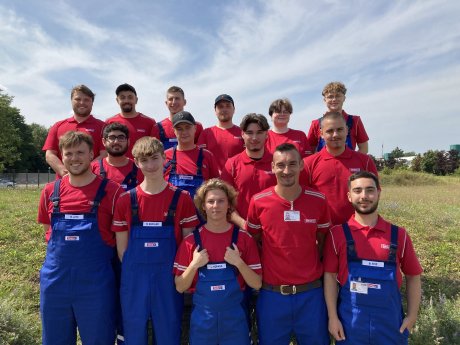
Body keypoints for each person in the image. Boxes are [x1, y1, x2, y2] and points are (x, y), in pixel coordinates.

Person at [37, 131, 123, 345]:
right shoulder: (50, 191)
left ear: (92, 154)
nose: (74, 158)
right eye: (69, 153)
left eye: (80, 153)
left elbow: (121, 237)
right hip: (55, 283)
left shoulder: (113, 192)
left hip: (96, 285)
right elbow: (48, 232)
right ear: (62, 156)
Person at [112, 136, 199, 345]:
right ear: (136, 162)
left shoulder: (182, 198)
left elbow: (188, 244)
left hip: (168, 279)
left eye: (154, 158)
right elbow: (122, 250)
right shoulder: (126, 200)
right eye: (144, 160)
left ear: (164, 158)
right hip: (134, 279)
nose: (150, 165)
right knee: (133, 331)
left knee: (169, 330)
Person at [323, 171, 422, 344]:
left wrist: (412, 316)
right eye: (358, 190)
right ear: (349, 196)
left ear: (378, 193)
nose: (364, 196)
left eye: (370, 190)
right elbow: (330, 277)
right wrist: (333, 318)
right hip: (350, 327)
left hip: (391, 327)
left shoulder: (399, 235)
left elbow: (413, 276)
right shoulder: (336, 234)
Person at [246, 143, 331, 345]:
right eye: (281, 165)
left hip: (311, 295)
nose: (286, 170)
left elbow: (323, 241)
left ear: (302, 165)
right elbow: (254, 240)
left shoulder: (318, 201)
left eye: (292, 164)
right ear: (272, 167)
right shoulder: (259, 202)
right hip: (272, 295)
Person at [174, 178, 262, 345]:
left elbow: (257, 283)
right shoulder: (191, 242)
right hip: (203, 324)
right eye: (211, 201)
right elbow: (180, 286)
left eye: (221, 201)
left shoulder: (243, 239)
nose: (216, 206)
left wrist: (239, 263)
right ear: (203, 206)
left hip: (235, 324)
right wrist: (194, 265)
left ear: (229, 205)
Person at [301, 111, 378, 226]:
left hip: (357, 230)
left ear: (347, 131)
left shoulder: (365, 161)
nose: (335, 135)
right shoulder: (308, 163)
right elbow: (303, 200)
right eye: (330, 131)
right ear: (321, 133)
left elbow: (374, 194)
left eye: (340, 130)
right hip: (322, 233)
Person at [220, 113, 276, 229]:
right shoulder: (232, 164)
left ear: (267, 134)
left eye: (259, 132)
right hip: (239, 231)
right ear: (242, 135)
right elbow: (224, 201)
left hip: (271, 230)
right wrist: (243, 224)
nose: (254, 138)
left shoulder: (277, 163)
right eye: (250, 133)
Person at [43, 85, 106, 177]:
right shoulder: (57, 126)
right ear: (71, 101)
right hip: (63, 184)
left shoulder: (103, 127)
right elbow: (49, 154)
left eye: (86, 100)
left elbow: (104, 154)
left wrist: (85, 172)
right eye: (77, 99)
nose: (82, 102)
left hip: (93, 182)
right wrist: (63, 171)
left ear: (92, 102)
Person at [164, 111, 220, 199]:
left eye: (187, 127)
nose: (184, 132)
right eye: (179, 128)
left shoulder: (207, 156)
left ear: (195, 128)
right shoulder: (164, 156)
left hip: (200, 211)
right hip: (171, 212)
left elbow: (217, 189)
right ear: (174, 131)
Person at [307, 82, 369, 153]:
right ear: (325, 100)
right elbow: (310, 150)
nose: (334, 99)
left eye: (338, 96)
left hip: (348, 163)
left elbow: (364, 148)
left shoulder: (355, 120)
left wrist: (353, 161)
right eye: (330, 96)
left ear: (344, 98)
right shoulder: (316, 123)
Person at [106, 83, 157, 158]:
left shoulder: (150, 122)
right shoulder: (109, 122)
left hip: (141, 168)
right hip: (117, 168)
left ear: (136, 100)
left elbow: (154, 150)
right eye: (122, 97)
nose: (126, 100)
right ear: (117, 100)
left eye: (130, 97)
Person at [197, 94, 245, 172]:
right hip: (213, 181)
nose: (224, 109)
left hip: (237, 179)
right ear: (215, 111)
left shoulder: (243, 133)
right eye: (220, 107)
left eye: (228, 106)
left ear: (234, 109)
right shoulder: (206, 133)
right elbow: (201, 159)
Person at [91, 122, 144, 191]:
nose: (116, 141)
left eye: (121, 138)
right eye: (112, 138)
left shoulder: (140, 169)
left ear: (128, 141)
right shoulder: (92, 169)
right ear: (104, 142)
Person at [153, 86, 203, 150]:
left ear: (184, 102)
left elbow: (201, 152)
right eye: (170, 99)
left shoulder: (197, 126)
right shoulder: (157, 128)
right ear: (166, 103)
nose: (174, 102)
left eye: (177, 98)